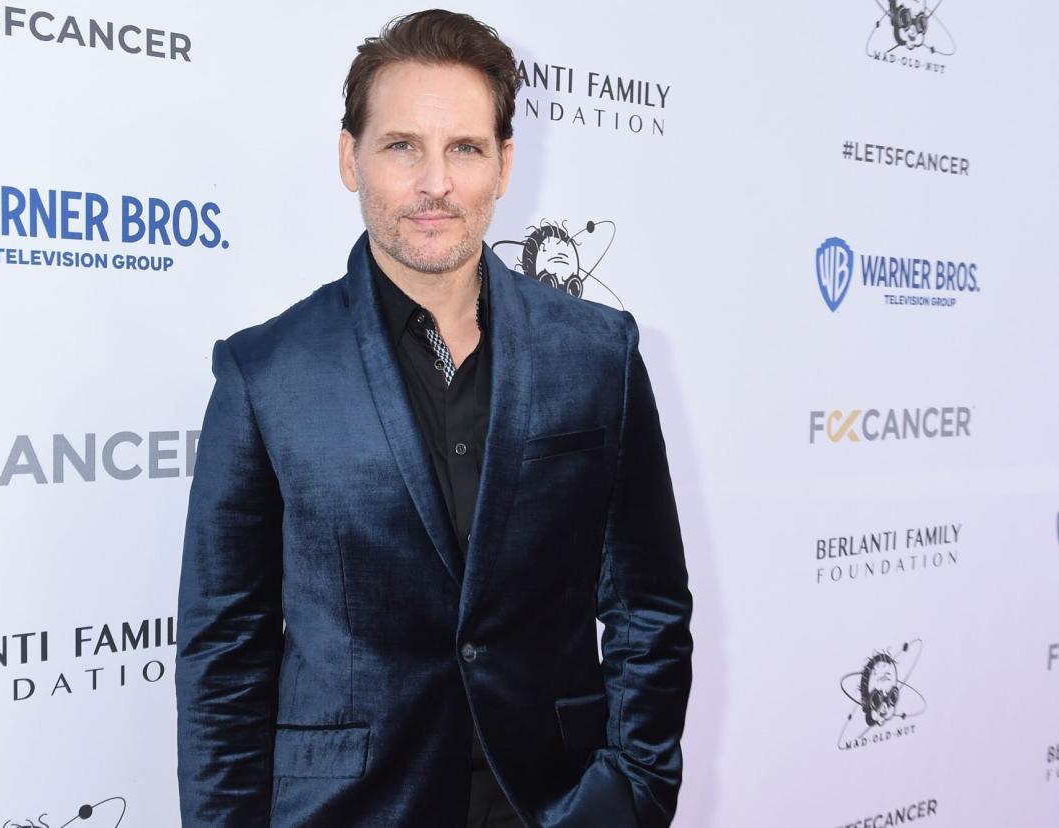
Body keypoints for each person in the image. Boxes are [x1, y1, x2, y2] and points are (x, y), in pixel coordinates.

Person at [175, 9, 692, 827]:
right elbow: (224, 655)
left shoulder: (596, 352)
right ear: (351, 158)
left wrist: (632, 790)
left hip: (555, 804)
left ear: (504, 164)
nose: (435, 184)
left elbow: (648, 604)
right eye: (401, 145)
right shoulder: (265, 372)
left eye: (464, 148)